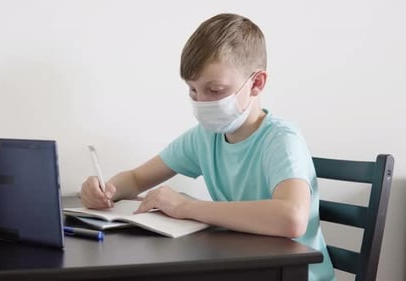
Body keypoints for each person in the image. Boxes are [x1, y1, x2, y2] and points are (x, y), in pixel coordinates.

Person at [80, 13, 335, 281]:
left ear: (256, 83)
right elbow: (135, 178)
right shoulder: (205, 137)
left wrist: (186, 206)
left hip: (292, 274)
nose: (202, 102)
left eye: (215, 90)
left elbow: (292, 218)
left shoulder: (281, 140)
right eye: (193, 91)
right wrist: (106, 190)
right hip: (247, 268)